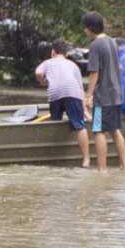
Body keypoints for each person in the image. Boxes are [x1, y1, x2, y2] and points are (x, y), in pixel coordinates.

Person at [80, 12, 125, 173]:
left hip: (102, 96)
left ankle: (102, 170)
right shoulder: (112, 42)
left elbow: (94, 73)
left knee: (98, 131)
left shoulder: (95, 45)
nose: (84, 30)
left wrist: (88, 95)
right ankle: (124, 167)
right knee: (115, 130)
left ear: (90, 28)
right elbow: (119, 67)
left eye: (85, 27)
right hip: (116, 94)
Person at [35, 39, 90, 167]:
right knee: (80, 126)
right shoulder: (73, 65)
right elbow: (80, 89)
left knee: (56, 122)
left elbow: (38, 72)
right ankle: (86, 160)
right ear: (66, 54)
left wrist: (43, 82)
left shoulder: (47, 62)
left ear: (53, 52)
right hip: (72, 92)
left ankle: (54, 157)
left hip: (55, 94)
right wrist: (86, 112)